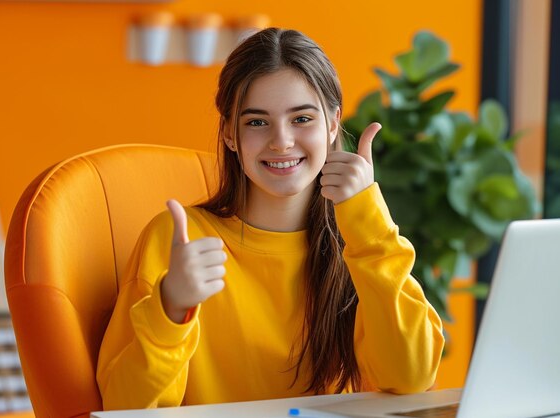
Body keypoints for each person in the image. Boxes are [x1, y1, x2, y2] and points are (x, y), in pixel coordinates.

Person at [96, 27, 444, 410]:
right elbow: (124, 409)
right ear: (229, 132)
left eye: (302, 119)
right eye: (257, 122)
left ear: (332, 125)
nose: (281, 141)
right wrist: (171, 308)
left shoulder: (359, 238)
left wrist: (368, 221)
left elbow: (411, 376)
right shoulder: (179, 241)